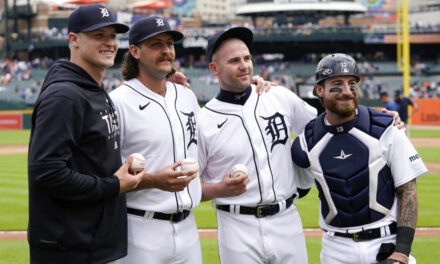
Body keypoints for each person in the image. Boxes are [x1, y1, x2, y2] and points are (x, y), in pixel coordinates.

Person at [27, 4, 144, 264]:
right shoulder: (64, 96)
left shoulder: (94, 89)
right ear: (74, 40)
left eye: (112, 36)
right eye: (98, 35)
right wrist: (113, 185)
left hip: (93, 242)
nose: (109, 43)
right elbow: (46, 171)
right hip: (68, 248)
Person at [291, 53, 428, 264]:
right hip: (334, 249)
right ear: (319, 90)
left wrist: (401, 252)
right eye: (337, 85)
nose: (347, 91)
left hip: (385, 243)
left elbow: (408, 189)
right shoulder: (305, 141)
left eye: (352, 84)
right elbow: (296, 190)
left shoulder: (386, 128)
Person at [198, 27, 318, 263]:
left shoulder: (277, 96)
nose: (244, 65)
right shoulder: (204, 121)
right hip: (236, 225)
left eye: (247, 58)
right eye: (234, 61)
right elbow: (186, 189)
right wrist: (218, 190)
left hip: (287, 220)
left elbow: (323, 127)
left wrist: (380, 118)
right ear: (214, 69)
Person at [109, 16, 202, 264]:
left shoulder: (186, 96)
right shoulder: (118, 102)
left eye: (169, 44)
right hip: (140, 229)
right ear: (135, 51)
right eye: (156, 44)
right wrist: (153, 180)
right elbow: (106, 175)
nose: (166, 51)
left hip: (189, 229)